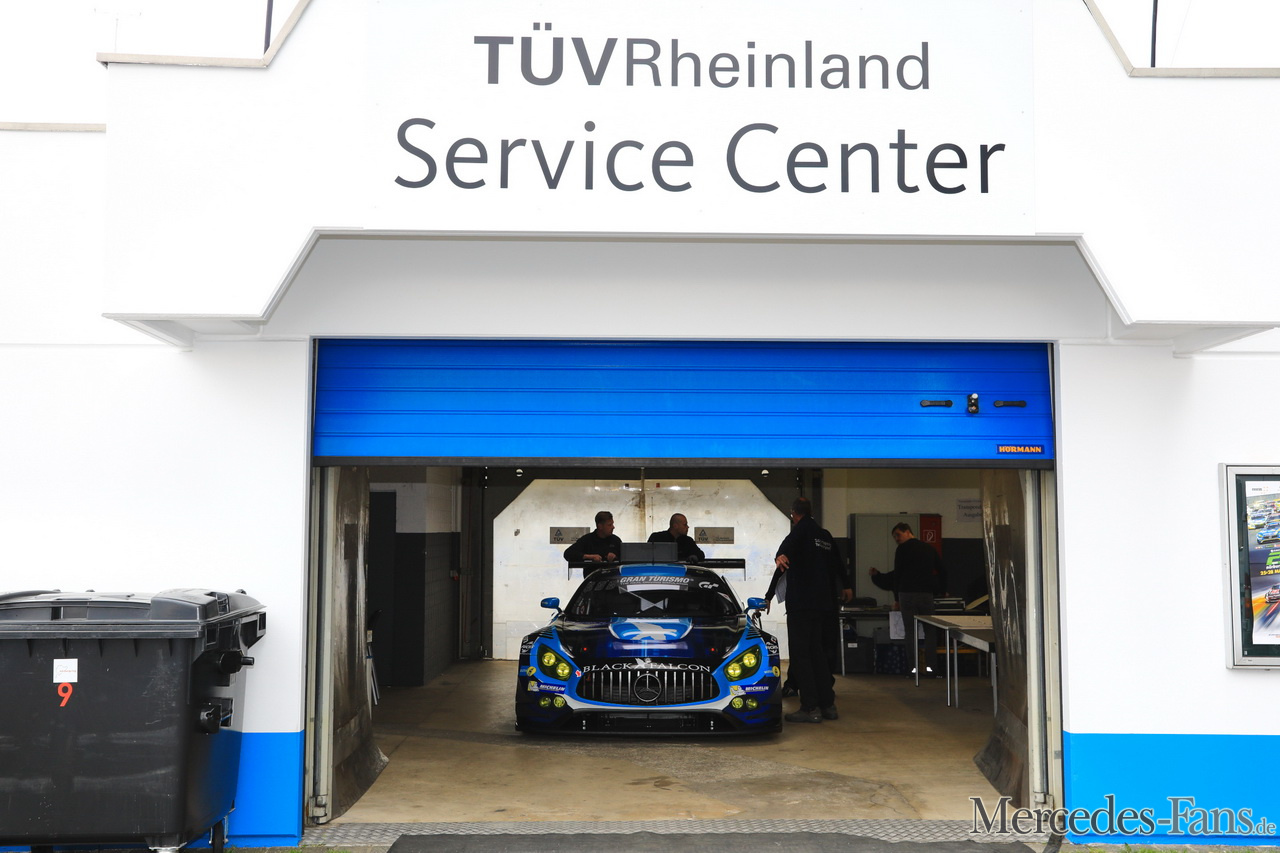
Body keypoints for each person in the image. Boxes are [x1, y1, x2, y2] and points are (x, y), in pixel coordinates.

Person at [773, 497, 852, 723]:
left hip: (802, 605)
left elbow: (783, 555)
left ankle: (809, 707)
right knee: (818, 653)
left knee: (801, 655)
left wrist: (779, 557)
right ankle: (828, 705)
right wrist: (847, 586)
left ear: (793, 514)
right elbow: (838, 564)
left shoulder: (799, 531)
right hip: (823, 605)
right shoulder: (824, 535)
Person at [868, 522, 944, 678]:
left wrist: (896, 598)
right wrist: (942, 590)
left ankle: (913, 670)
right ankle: (932, 669)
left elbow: (897, 575)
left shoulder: (902, 549)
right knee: (930, 632)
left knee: (910, 632)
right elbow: (942, 570)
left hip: (907, 594)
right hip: (926, 594)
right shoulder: (929, 548)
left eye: (898, 535)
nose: (896, 539)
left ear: (908, 532)